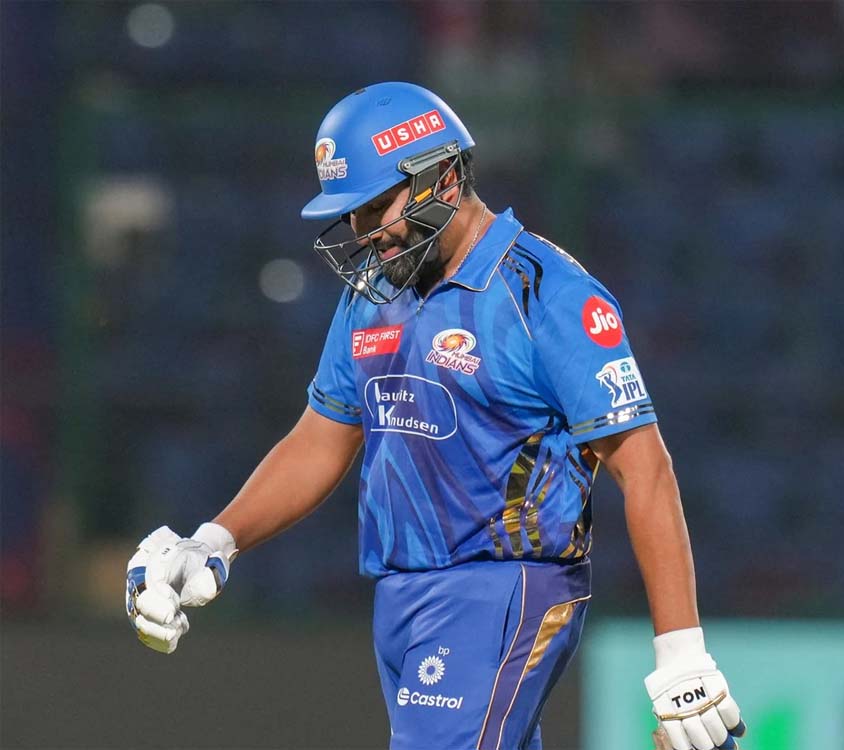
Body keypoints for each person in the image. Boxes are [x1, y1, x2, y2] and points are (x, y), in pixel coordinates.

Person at [125, 82, 746, 750]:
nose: (365, 235)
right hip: (401, 597)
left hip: (504, 588)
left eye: (376, 208)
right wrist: (215, 541)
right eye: (353, 215)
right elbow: (319, 440)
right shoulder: (373, 293)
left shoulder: (547, 293)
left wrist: (681, 654)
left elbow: (645, 468)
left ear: (444, 177)